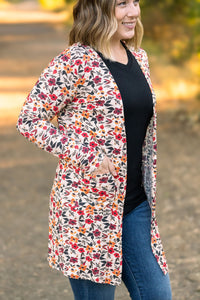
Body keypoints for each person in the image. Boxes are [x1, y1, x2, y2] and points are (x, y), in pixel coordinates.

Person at [16, 0, 172, 299]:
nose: (134, 12)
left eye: (136, 2)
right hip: (86, 212)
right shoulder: (74, 61)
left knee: (157, 293)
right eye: (122, 4)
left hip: (135, 205)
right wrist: (84, 153)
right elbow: (29, 119)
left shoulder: (139, 57)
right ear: (98, 9)